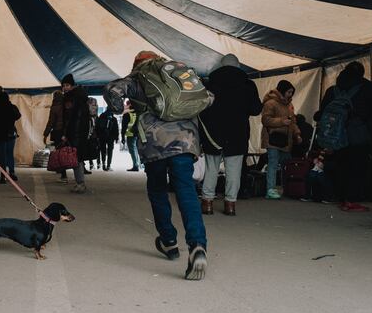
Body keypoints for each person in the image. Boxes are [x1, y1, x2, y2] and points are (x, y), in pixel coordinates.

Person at [104, 51, 208, 280]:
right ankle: (198, 246)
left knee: (158, 191)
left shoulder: (138, 77)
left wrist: (117, 108)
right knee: (186, 192)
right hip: (186, 141)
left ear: (137, 64)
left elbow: (112, 90)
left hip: (156, 145)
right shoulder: (177, 74)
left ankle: (169, 242)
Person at [318, 61, 372, 211]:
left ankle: (341, 197)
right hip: (358, 135)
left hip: (335, 136)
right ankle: (352, 200)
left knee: (340, 165)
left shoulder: (333, 90)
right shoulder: (367, 88)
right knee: (358, 167)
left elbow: (321, 112)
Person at [199, 54, 262, 216]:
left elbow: (202, 109)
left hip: (213, 134)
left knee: (211, 168)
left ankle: (207, 203)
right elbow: (256, 110)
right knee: (233, 171)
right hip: (237, 133)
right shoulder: (248, 85)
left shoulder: (210, 83)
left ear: (221, 66)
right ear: (238, 66)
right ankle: (230, 204)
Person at [261, 80, 301, 200]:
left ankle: (287, 188)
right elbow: (265, 120)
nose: (290, 94)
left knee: (286, 164)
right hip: (272, 139)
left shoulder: (289, 105)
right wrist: (281, 121)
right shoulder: (270, 103)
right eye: (289, 92)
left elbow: (293, 122)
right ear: (282, 90)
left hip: (286, 140)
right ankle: (270, 189)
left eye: (291, 92)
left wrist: (297, 134)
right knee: (273, 163)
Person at [61, 74, 91, 193]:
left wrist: (66, 133)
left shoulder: (71, 99)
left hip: (75, 133)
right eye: (64, 86)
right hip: (81, 132)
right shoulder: (81, 97)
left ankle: (80, 183)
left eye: (67, 85)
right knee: (78, 158)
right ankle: (80, 182)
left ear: (72, 85)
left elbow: (70, 118)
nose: (65, 88)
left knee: (76, 158)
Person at [43, 89, 68, 183]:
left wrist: (45, 134)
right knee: (68, 152)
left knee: (60, 153)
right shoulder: (66, 105)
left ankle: (63, 175)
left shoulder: (55, 107)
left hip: (58, 132)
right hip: (67, 132)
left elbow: (51, 122)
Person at [122, 100, 142, 171]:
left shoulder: (127, 114)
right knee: (137, 149)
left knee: (132, 150)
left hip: (130, 134)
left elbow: (124, 127)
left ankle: (135, 165)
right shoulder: (139, 113)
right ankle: (138, 164)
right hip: (138, 134)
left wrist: (122, 137)